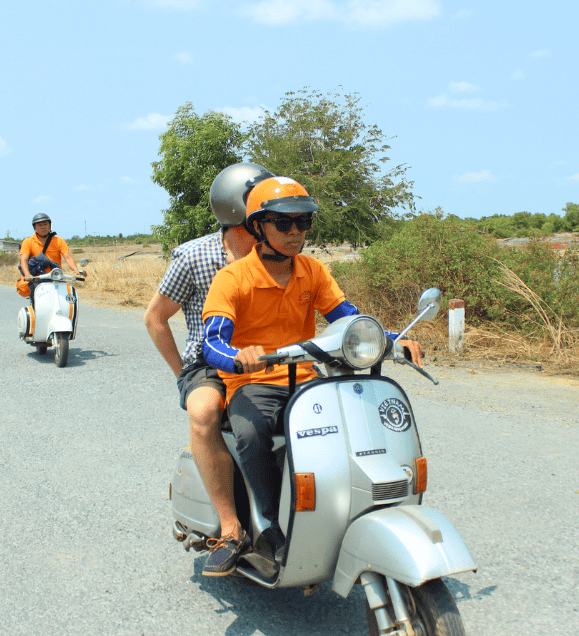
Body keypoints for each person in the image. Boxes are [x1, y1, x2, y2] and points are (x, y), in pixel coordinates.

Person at [201, 176, 423, 571]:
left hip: (304, 379)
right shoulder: (232, 278)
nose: (295, 233)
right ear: (257, 227)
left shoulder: (312, 271)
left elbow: (348, 319)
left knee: (353, 423)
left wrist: (392, 341)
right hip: (253, 384)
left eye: (303, 223)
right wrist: (238, 357)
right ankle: (270, 522)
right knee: (252, 434)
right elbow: (212, 343)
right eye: (284, 223)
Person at [144, 162, 274, 577]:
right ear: (239, 213)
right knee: (203, 411)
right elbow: (155, 317)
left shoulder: (278, 254)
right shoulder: (195, 256)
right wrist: (184, 371)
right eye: (264, 212)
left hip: (271, 360)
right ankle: (232, 529)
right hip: (210, 362)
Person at [19, 213, 86, 300]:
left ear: (50, 225)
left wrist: (76, 271)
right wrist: (27, 275)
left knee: (68, 300)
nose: (43, 227)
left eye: (45, 224)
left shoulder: (59, 241)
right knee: (38, 304)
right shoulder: (28, 242)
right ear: (35, 227)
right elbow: (24, 260)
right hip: (37, 279)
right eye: (39, 225)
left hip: (56, 278)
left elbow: (67, 257)